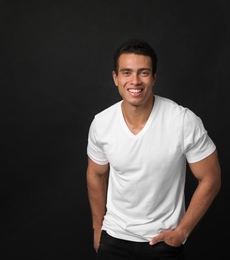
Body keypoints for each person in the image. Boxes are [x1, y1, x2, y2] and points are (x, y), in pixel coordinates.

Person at [86, 39, 221, 260]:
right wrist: (97, 228)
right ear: (115, 78)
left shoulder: (183, 121)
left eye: (144, 73)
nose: (135, 81)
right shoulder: (101, 123)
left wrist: (181, 233)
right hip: (114, 239)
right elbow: (96, 173)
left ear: (154, 77)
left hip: (162, 243)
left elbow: (211, 178)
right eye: (127, 72)